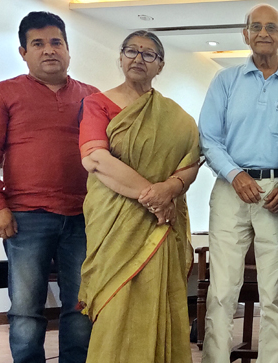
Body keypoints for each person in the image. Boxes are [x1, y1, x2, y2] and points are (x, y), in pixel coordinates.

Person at [0, 11, 97, 363]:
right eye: (38, 44)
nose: (49, 50)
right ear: (23, 52)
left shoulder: (92, 97)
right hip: (26, 218)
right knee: (27, 309)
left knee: (81, 306)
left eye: (56, 42)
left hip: (84, 217)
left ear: (68, 50)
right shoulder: (3, 94)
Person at [198, 4, 278, 362]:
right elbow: (208, 138)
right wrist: (235, 175)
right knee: (221, 291)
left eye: (272, 27)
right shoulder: (225, 81)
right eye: (256, 27)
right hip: (230, 188)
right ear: (245, 34)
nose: (264, 33)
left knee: (275, 293)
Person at [77, 30, 200, 363]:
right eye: (131, 51)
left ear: (160, 66)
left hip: (160, 227)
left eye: (149, 54)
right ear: (120, 58)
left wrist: (169, 189)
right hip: (115, 223)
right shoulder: (97, 104)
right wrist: (155, 197)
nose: (138, 59)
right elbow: (96, 160)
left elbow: (190, 164)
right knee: (115, 304)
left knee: (159, 300)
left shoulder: (178, 118)